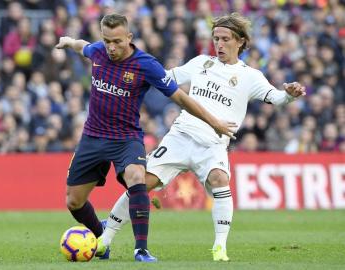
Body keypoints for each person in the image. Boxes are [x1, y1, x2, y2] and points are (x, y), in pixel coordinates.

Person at [100, 12, 306, 262]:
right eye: (215, 38)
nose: (218, 44)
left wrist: (290, 95)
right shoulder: (200, 63)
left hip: (213, 144)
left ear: (240, 41)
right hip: (180, 136)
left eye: (225, 39)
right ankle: (105, 239)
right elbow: (165, 78)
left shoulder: (250, 76)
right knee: (140, 183)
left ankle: (220, 247)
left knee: (220, 178)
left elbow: (276, 98)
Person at [54, 14, 236, 263]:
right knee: (74, 201)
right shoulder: (98, 51)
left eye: (117, 41)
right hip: (93, 137)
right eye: (107, 41)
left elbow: (180, 98)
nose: (111, 47)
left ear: (129, 38)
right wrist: (68, 41)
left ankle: (141, 250)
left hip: (126, 138)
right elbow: (81, 46)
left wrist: (214, 122)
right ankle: (101, 237)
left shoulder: (146, 65)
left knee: (137, 177)